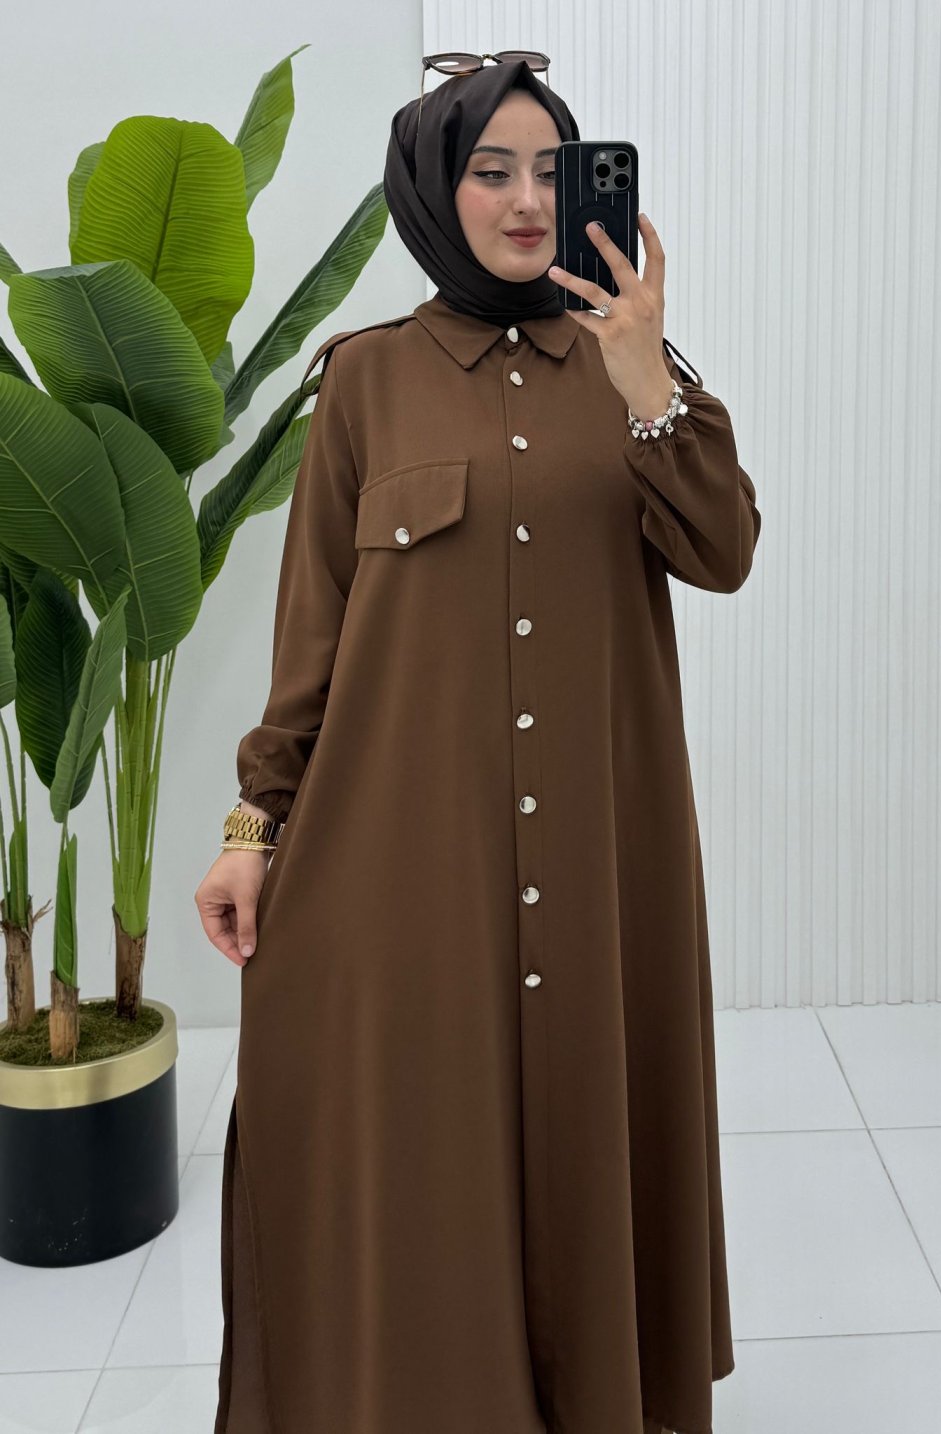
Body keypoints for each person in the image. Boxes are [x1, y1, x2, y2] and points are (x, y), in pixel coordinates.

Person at [195, 55, 760, 1434]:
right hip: (406, 870)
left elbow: (725, 548)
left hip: (600, 855)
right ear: (435, 191)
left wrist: (646, 381)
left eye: (553, 173)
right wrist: (253, 830)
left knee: (586, 1125)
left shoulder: (633, 369)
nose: (527, 201)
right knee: (425, 1158)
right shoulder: (365, 384)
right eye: (492, 171)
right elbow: (313, 641)